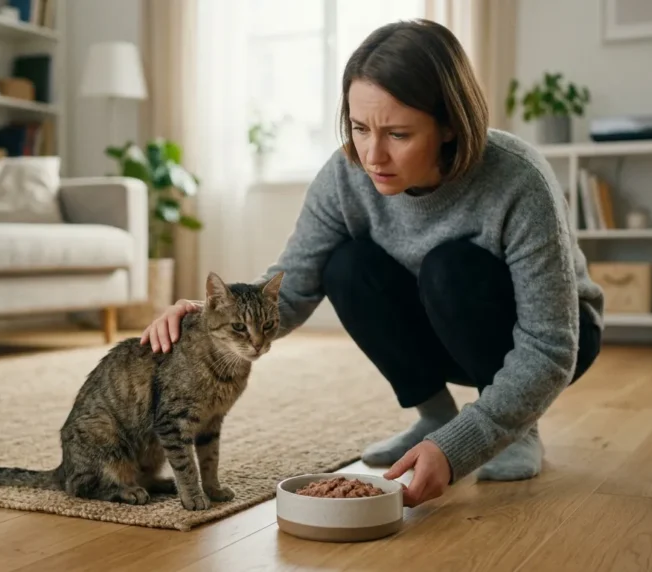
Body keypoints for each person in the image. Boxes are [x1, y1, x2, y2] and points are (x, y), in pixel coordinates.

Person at [140, 18, 604, 508]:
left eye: (398, 134)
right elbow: (291, 288)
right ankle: (434, 416)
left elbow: (551, 345)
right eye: (360, 128)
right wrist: (203, 317)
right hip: (439, 326)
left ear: (449, 124)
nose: (373, 155)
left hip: (554, 339)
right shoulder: (347, 173)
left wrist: (463, 447)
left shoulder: (519, 179)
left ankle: (518, 430)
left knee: (450, 267)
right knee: (346, 265)